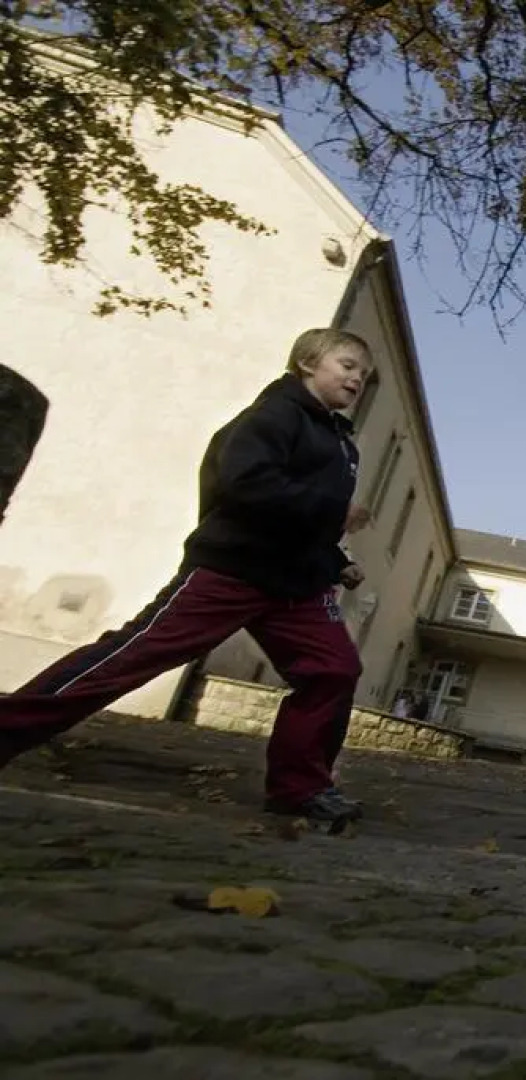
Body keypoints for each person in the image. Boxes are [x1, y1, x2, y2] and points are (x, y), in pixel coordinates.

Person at [0, 328, 375, 824]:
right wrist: (333, 510)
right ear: (308, 362)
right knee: (132, 658)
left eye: (364, 375)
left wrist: (333, 559)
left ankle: (300, 787)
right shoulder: (273, 416)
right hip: (233, 570)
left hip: (297, 586)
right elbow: (245, 486)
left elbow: (302, 520)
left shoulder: (341, 445)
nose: (357, 379)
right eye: (347, 365)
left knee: (333, 670)